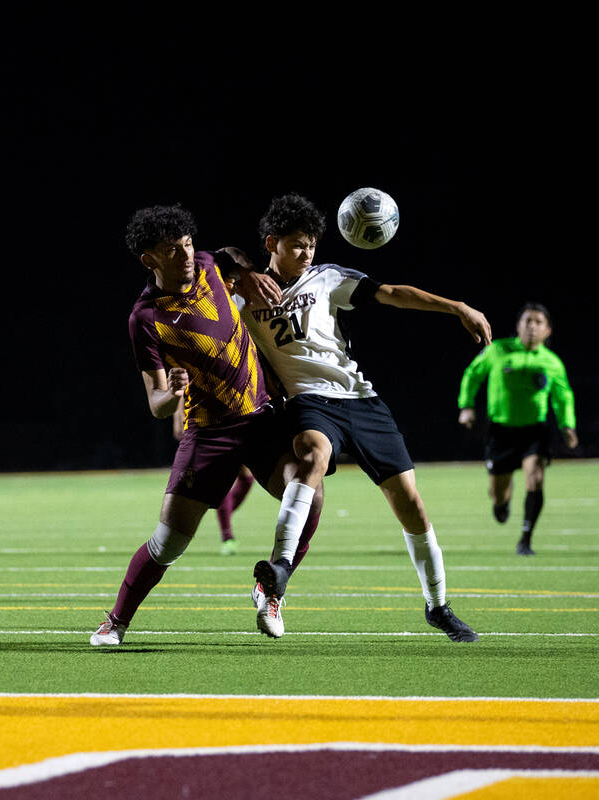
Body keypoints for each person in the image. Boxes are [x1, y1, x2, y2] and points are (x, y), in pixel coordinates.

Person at [239, 192, 486, 642]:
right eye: (297, 244)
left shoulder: (327, 278)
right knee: (312, 454)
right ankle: (278, 573)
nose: (307, 252)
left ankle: (438, 606)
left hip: (360, 399)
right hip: (308, 401)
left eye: (311, 243)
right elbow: (208, 281)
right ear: (272, 242)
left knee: (410, 503)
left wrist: (456, 307)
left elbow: (391, 293)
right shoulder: (245, 294)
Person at [90, 204, 322, 647]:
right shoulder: (146, 319)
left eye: (188, 244)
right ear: (149, 259)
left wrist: (249, 272)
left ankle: (271, 589)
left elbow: (228, 254)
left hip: (262, 417)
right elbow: (156, 403)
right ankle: (115, 622)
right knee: (168, 542)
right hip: (211, 433)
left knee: (310, 492)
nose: (186, 255)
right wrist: (171, 392)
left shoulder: (208, 265)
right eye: (172, 251)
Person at [458, 303, 577, 555]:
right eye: (527, 321)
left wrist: (568, 425)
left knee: (535, 477)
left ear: (548, 331)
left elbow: (563, 396)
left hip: (535, 431)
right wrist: (466, 406)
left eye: (538, 322)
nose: (532, 327)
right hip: (501, 431)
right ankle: (503, 502)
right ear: (518, 326)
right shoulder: (497, 350)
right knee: (497, 494)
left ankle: (525, 538)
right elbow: (472, 375)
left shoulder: (551, 362)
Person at [175, 404, 252, 556]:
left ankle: (223, 512)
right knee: (222, 481)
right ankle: (227, 537)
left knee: (247, 478)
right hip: (210, 426)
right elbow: (181, 392)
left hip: (239, 419)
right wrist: (179, 420)